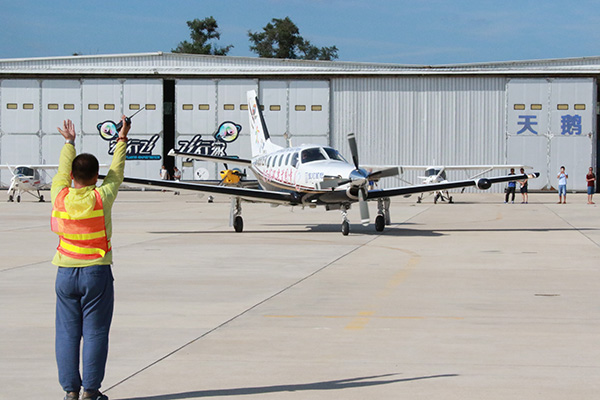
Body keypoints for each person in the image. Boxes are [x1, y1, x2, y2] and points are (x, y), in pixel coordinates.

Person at [51, 117, 130, 400]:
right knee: (96, 332)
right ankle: (91, 391)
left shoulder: (59, 195)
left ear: (72, 177)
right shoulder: (101, 197)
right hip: (96, 272)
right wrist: (121, 139)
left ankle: (70, 390)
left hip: (65, 272)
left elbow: (61, 170)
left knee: (67, 334)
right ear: (96, 177)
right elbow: (116, 172)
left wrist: (69, 142)